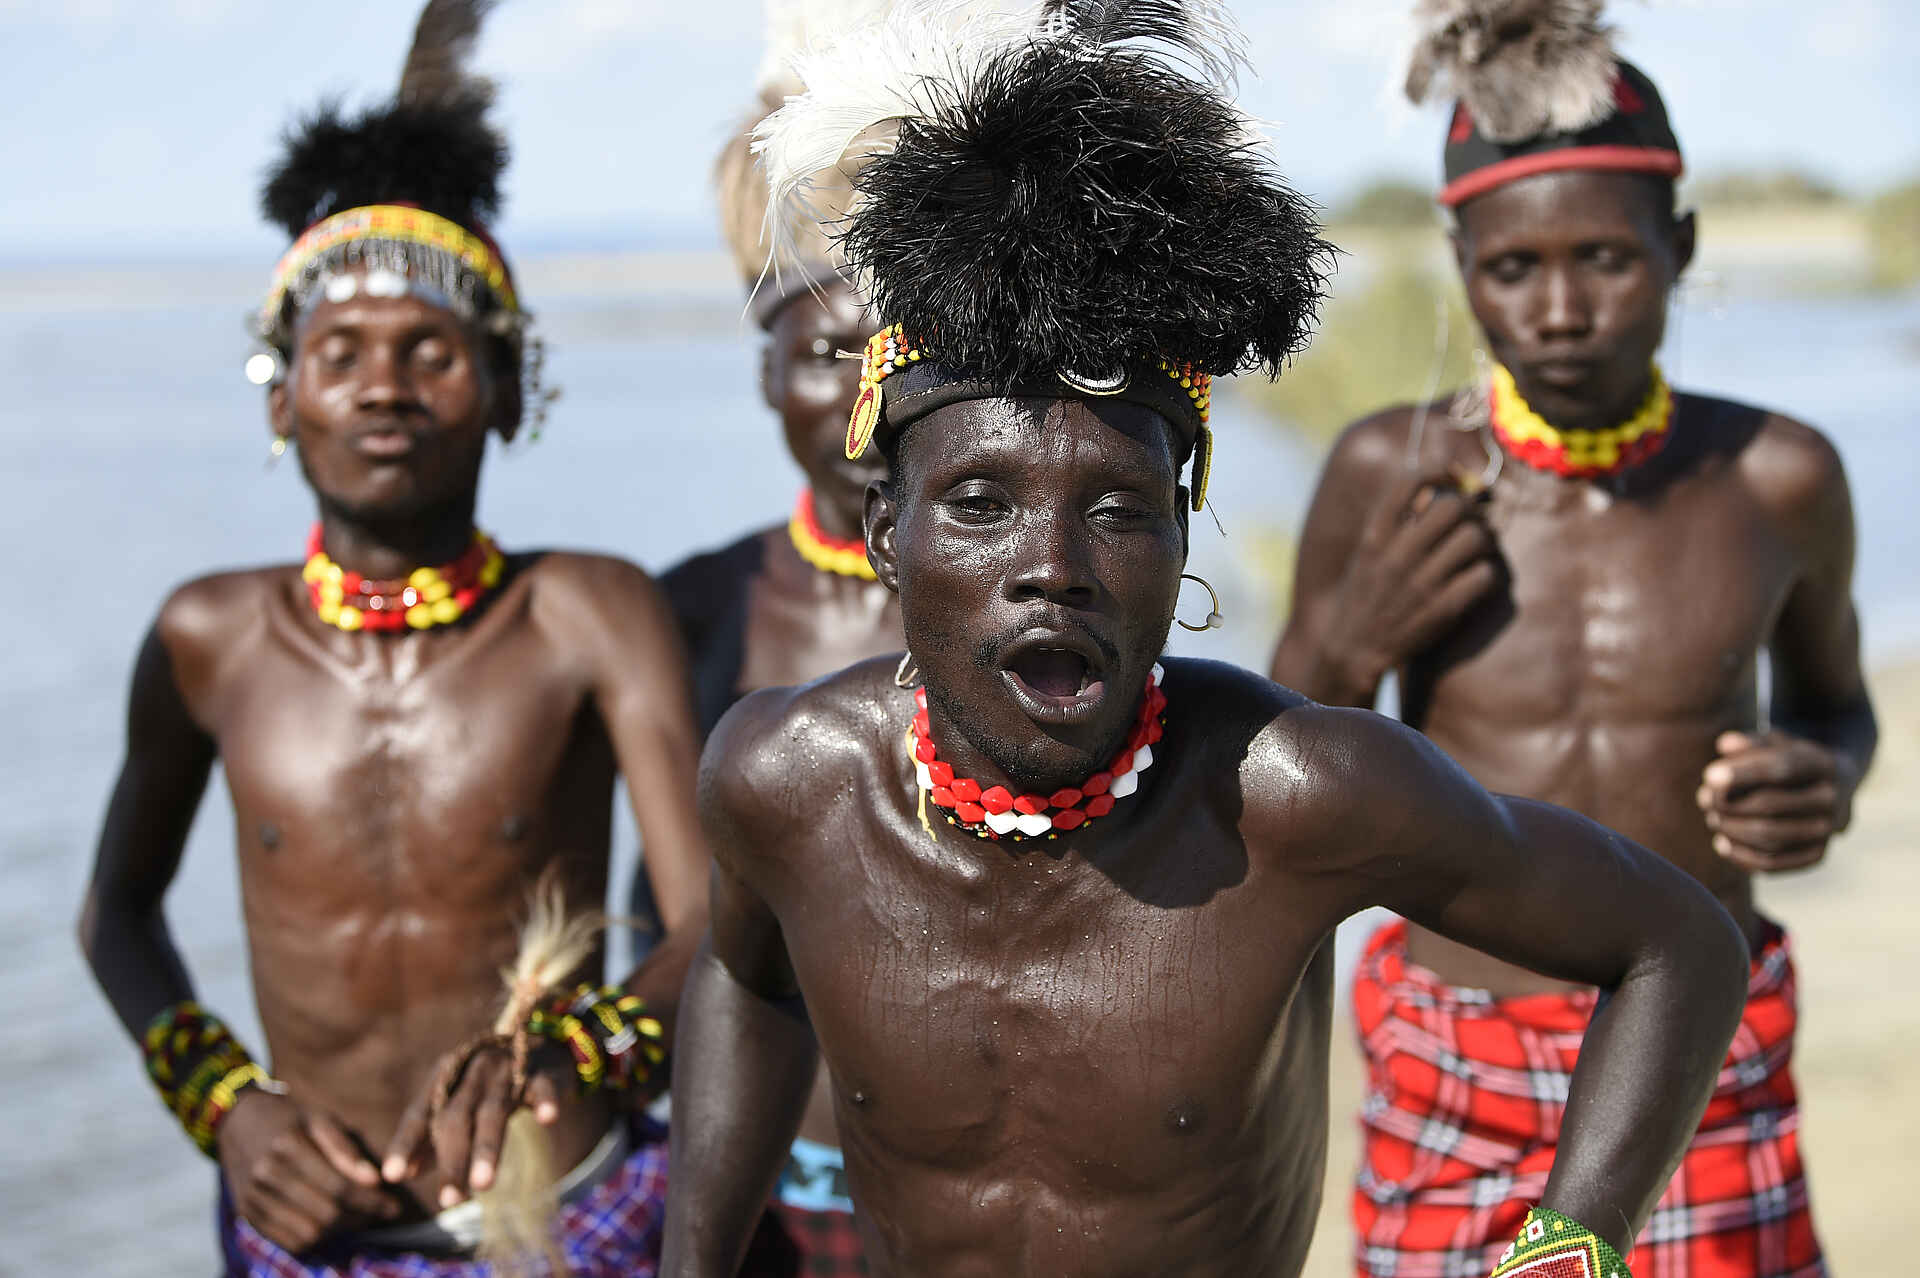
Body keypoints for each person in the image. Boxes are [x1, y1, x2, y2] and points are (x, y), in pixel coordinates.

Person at [660, 4, 1751, 1275]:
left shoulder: (1293, 797)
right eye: (980, 503)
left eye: (1119, 510)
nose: (1051, 568)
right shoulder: (787, 783)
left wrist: (1571, 1243)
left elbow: (1675, 945)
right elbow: (747, 979)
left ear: (1184, 534)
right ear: (887, 534)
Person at [76, 4, 709, 1273]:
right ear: (283, 400)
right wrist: (225, 1106)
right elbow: (117, 917)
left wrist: (576, 1051)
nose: (383, 387)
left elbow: (713, 916)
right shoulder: (209, 637)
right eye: (340, 355)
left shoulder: (589, 613)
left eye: (431, 352)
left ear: (510, 393)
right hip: (305, 1229)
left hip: (568, 1213)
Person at [1270, 5, 1878, 1276]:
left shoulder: (1777, 479)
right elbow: (1273, 769)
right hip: (1458, 1051)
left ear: (1679, 247)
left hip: (1709, 1046)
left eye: (1605, 259)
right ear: (1462, 264)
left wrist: (1822, 779)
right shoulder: (1391, 471)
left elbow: (1837, 707)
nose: (1559, 309)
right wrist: (1354, 640)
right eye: (1512, 269)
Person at [660, 7, 900, 1270]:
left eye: (897, 354)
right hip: (753, 1186)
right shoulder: (696, 608)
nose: (863, 399)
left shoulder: (1027, 610)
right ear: (766, 374)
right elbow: (659, 916)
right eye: (825, 357)